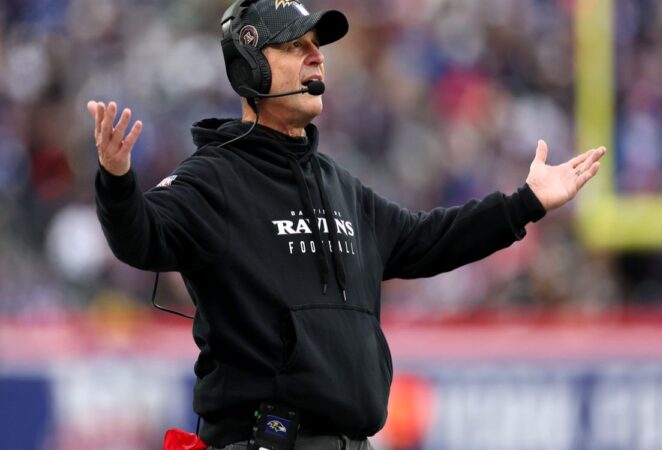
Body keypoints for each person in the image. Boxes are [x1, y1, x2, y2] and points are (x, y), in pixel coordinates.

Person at [88, 0, 605, 449]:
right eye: (295, 46)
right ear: (249, 67)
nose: (317, 56)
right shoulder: (212, 180)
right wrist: (116, 179)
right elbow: (140, 240)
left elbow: (430, 239)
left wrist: (525, 203)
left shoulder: (340, 186)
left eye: (317, 45)